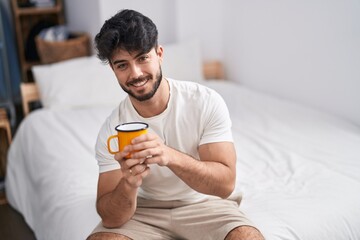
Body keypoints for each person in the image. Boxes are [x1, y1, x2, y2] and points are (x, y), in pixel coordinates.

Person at [87, 9, 264, 240]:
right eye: (122, 65)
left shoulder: (204, 102)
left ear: (159, 54)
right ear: (113, 69)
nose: (136, 73)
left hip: (205, 205)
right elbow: (110, 218)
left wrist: (169, 155)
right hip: (144, 210)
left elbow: (224, 185)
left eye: (142, 58)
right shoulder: (112, 130)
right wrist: (129, 184)